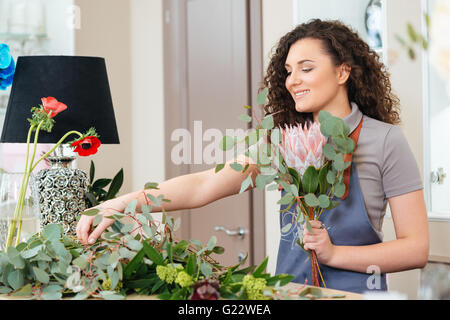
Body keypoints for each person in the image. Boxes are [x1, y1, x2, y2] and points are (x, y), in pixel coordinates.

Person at [76, 19, 429, 294]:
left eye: (306, 68)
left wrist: (336, 255)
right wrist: (123, 203)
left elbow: (416, 248)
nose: (293, 81)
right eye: (288, 71)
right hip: (289, 294)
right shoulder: (283, 143)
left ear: (342, 71)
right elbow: (204, 184)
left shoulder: (385, 141)